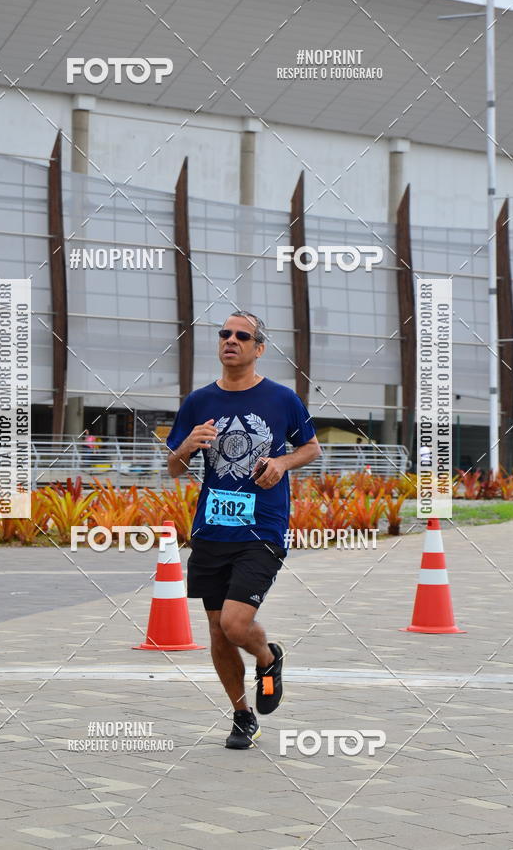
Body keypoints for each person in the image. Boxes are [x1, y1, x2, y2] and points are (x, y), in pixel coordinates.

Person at [166, 311, 321, 749]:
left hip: (262, 530)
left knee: (236, 624)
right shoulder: (199, 402)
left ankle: (268, 657)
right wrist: (185, 447)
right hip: (212, 531)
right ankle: (241, 715)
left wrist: (281, 462)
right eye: (225, 334)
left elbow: (311, 446)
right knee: (217, 633)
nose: (230, 340)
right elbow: (174, 469)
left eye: (242, 336)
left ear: (258, 348)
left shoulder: (280, 398)